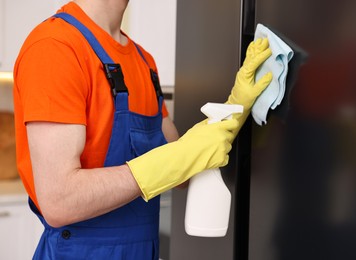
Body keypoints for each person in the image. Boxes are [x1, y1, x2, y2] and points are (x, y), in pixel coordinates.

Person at [13, 0, 272, 259]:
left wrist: (235, 108)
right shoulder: (55, 47)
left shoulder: (143, 62)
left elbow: (182, 171)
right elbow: (59, 202)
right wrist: (174, 160)